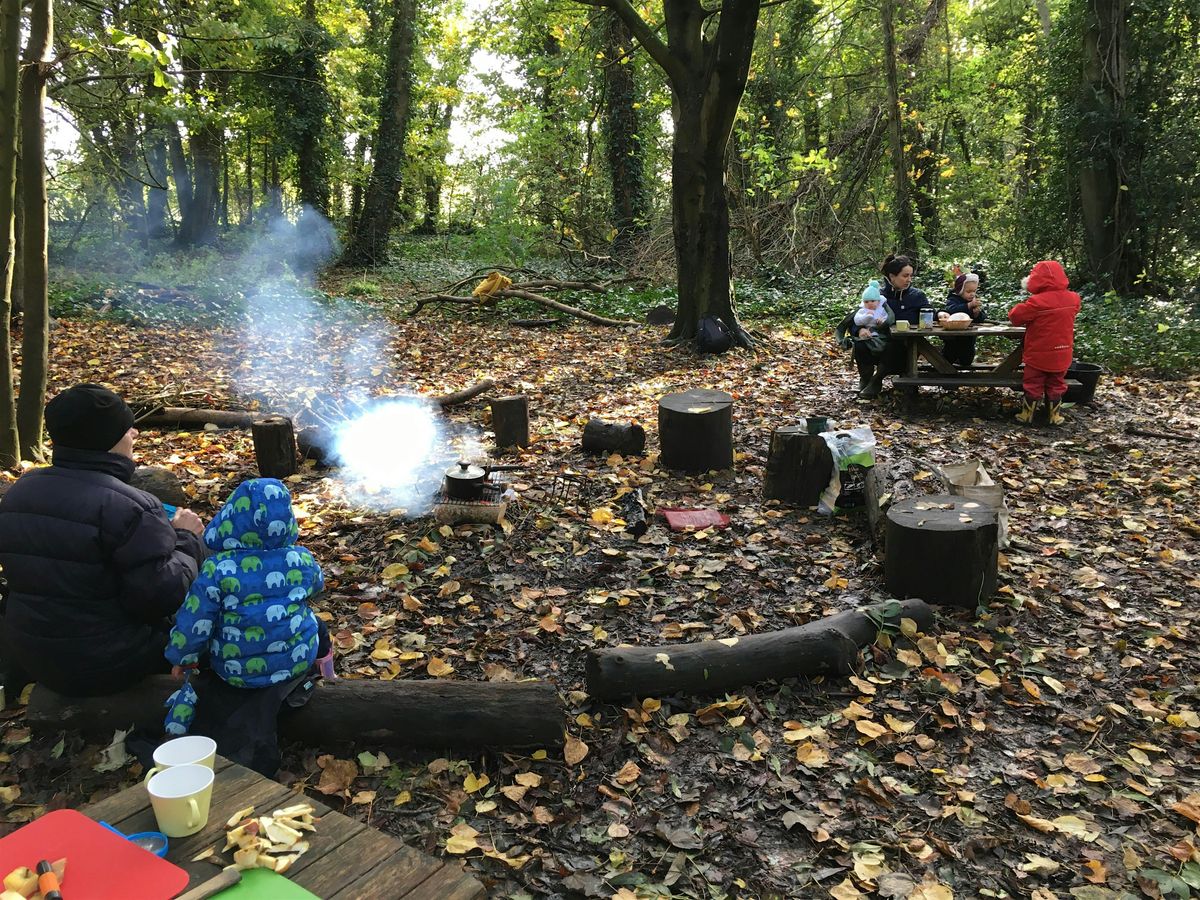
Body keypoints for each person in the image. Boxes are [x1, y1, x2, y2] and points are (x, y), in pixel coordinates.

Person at [0, 384, 206, 696]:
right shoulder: (130, 506)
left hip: (33, 654)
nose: (135, 433)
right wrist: (186, 538)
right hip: (107, 663)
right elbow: (163, 596)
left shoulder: (20, 490)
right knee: (212, 600)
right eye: (126, 429)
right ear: (106, 440)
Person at [163, 478, 332, 733]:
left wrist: (182, 658)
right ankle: (326, 670)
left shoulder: (217, 568)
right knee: (318, 625)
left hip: (237, 673)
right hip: (295, 661)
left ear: (231, 518)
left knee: (215, 627)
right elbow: (317, 585)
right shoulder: (301, 558)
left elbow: (194, 621)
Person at [837, 254, 927, 399]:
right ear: (892, 276)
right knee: (860, 345)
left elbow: (930, 315)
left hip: (905, 346)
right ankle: (865, 379)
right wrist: (860, 330)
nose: (909, 280)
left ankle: (876, 380)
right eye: (905, 276)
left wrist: (942, 314)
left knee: (893, 347)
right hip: (876, 340)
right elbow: (858, 317)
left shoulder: (917, 296)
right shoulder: (876, 296)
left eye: (910, 276)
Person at [1008, 260, 1081, 425]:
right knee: (1057, 383)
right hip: (1063, 352)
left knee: (1033, 383)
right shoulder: (1074, 299)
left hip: (1038, 354)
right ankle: (1053, 416)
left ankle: (1027, 415)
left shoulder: (1037, 302)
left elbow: (1015, 317)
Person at [942, 271, 986, 367]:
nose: (972, 294)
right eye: (968, 291)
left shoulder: (974, 301)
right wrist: (968, 306)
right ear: (960, 290)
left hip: (969, 339)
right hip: (952, 339)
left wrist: (977, 314)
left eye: (974, 291)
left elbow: (982, 319)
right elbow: (950, 311)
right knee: (947, 360)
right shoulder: (953, 299)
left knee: (966, 361)